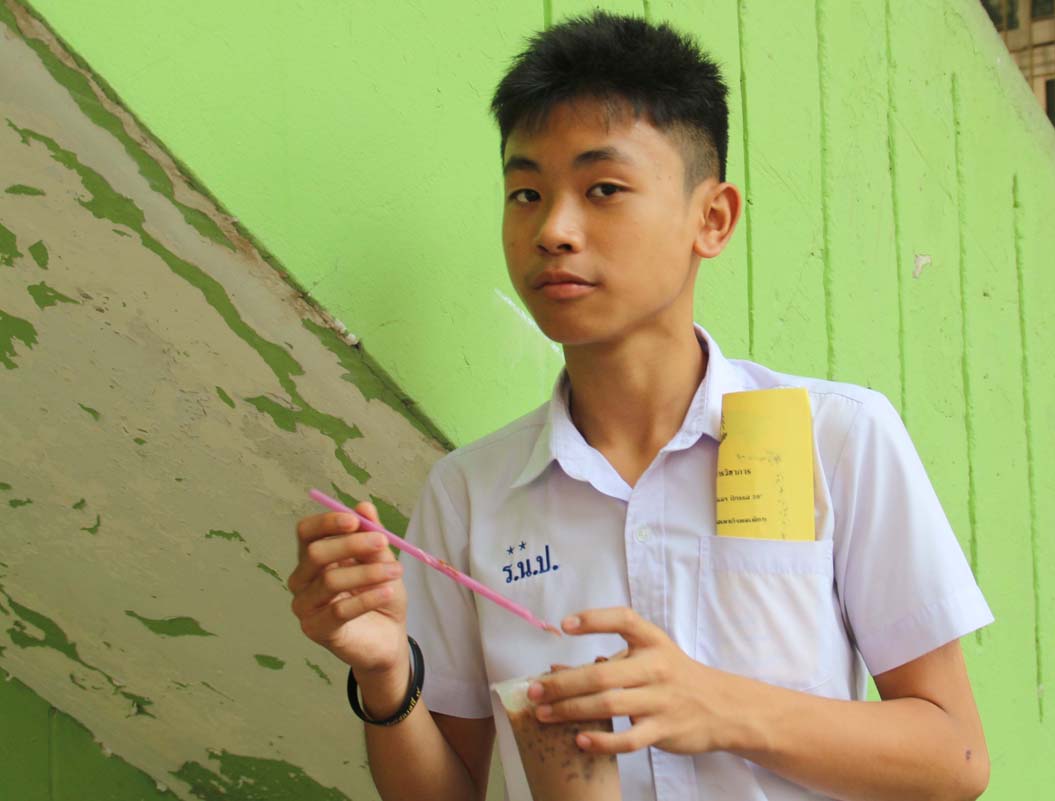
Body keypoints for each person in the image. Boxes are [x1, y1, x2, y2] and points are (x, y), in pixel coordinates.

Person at [288, 11, 993, 801]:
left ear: (711, 219)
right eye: (525, 193)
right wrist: (387, 675)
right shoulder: (469, 494)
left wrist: (720, 706)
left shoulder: (838, 436)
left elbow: (955, 756)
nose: (553, 230)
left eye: (604, 189)